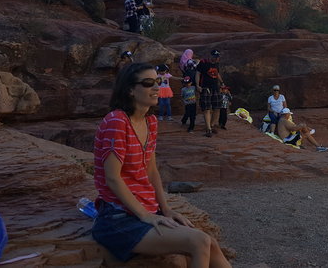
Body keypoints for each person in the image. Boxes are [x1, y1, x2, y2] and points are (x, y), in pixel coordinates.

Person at [91, 62, 230, 266]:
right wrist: (145, 215)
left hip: (145, 210)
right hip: (118, 218)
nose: (156, 87)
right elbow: (112, 177)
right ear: (130, 89)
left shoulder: (150, 121)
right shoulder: (117, 122)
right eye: (148, 83)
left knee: (211, 244)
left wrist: (165, 209)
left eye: (157, 81)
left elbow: (151, 169)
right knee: (199, 241)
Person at [196, 49, 224, 138]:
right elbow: (198, 74)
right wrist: (197, 85)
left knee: (217, 107)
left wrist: (222, 82)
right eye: (215, 57)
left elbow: (217, 73)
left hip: (215, 87)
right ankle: (208, 128)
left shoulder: (216, 64)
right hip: (205, 87)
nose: (217, 59)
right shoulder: (203, 63)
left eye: (218, 57)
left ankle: (212, 125)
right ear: (211, 56)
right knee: (206, 108)